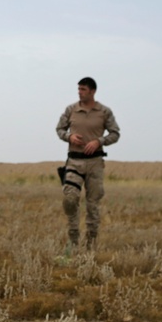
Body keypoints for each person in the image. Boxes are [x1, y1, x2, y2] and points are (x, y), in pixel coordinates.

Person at [55, 77, 120, 249]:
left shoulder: (104, 112)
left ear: (92, 91)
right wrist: (69, 136)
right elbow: (59, 129)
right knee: (70, 199)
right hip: (74, 161)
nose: (79, 92)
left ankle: (91, 243)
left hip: (95, 163)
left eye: (83, 89)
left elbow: (115, 134)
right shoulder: (71, 110)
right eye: (79, 89)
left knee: (93, 204)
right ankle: (74, 239)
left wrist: (99, 141)